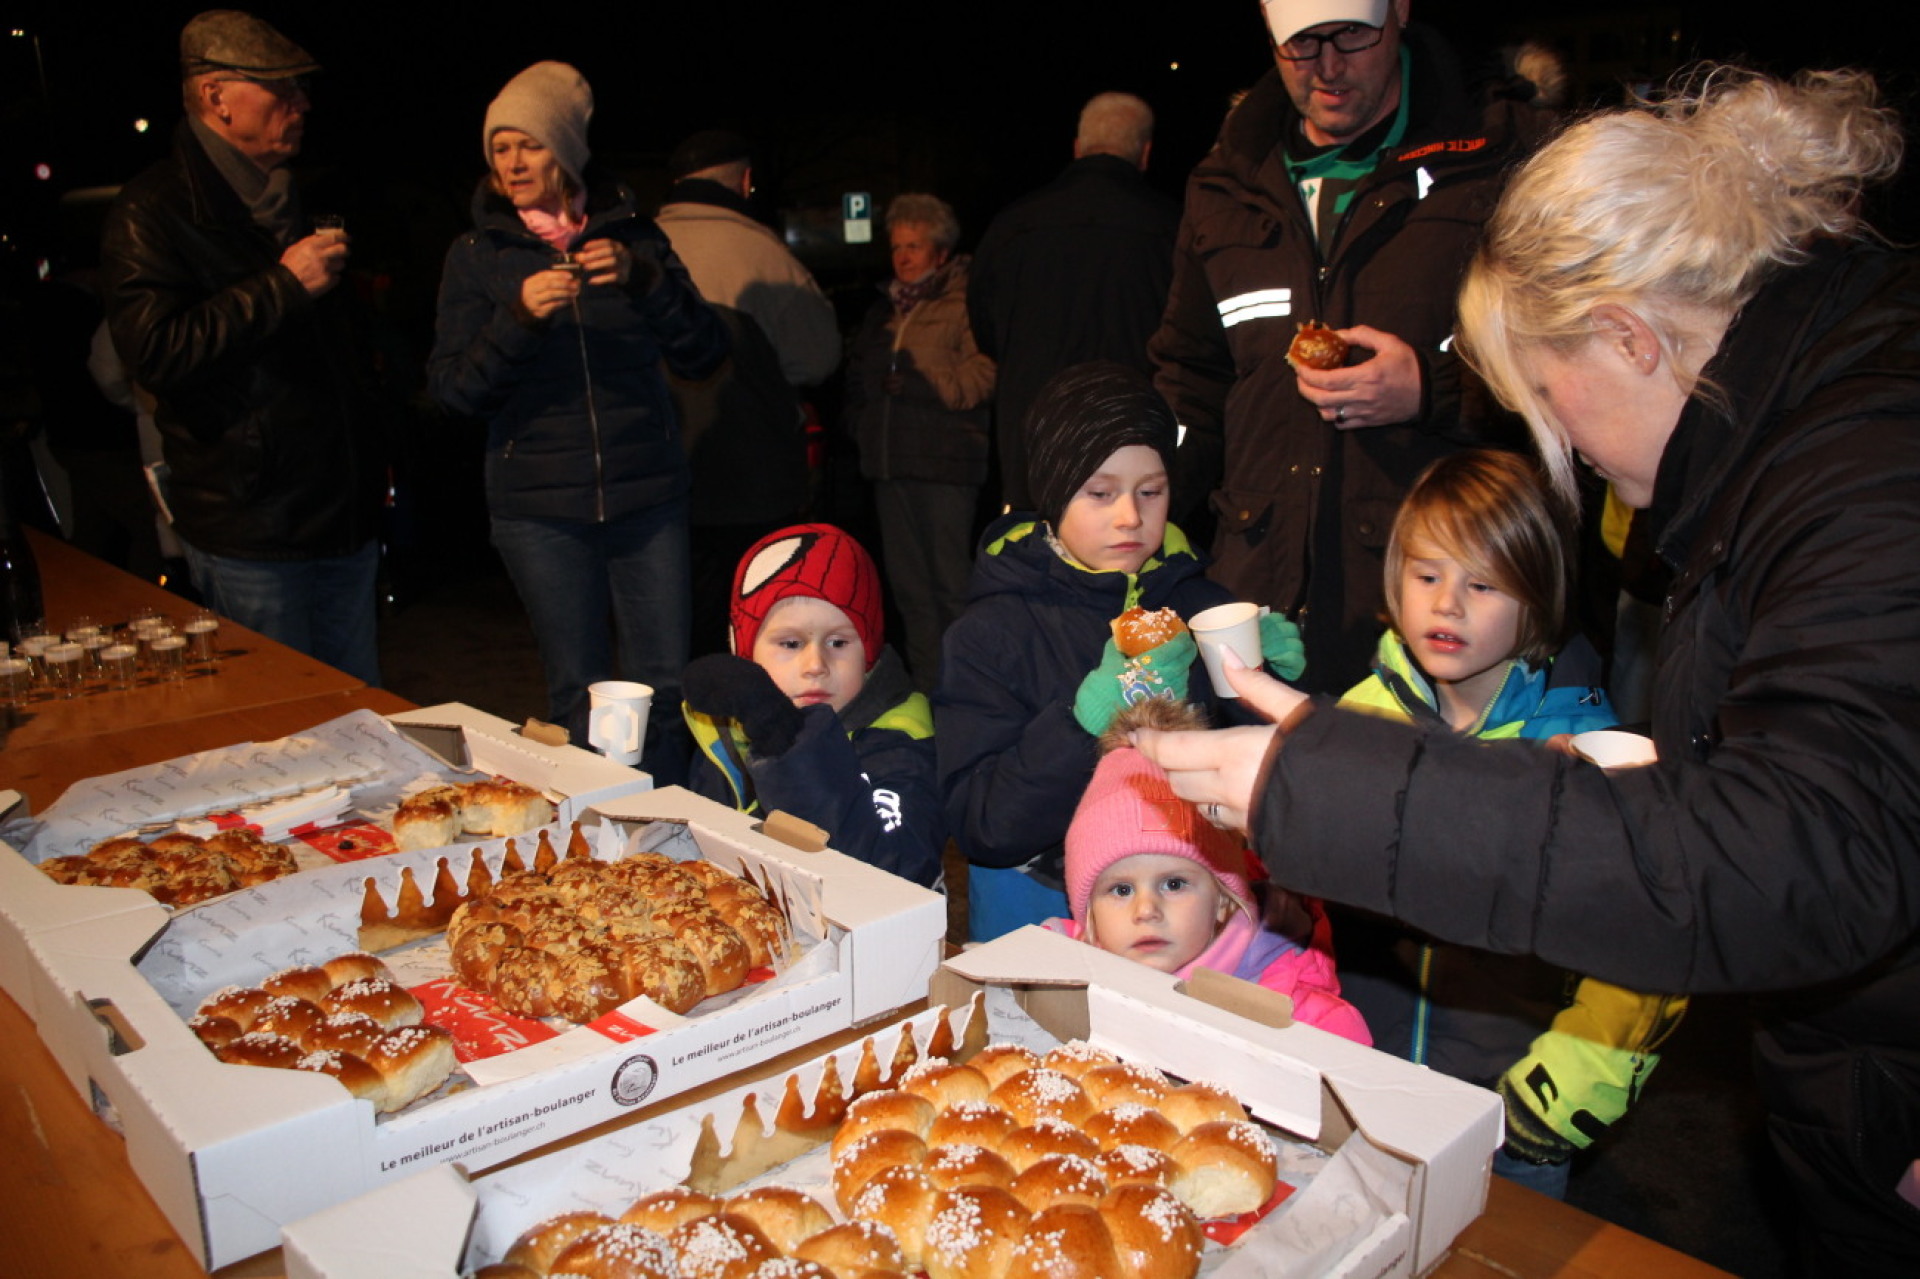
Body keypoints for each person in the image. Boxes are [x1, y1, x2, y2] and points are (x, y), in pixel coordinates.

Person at [1133, 67, 1919, 1272]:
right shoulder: (1816, 433)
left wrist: (1338, 790)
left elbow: (1808, 849)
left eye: (1553, 405)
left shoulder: (1865, 475)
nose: (1569, 455)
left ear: (1631, 339)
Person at [1150, 0, 1542, 696]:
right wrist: (1140, 500)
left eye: (1351, 36)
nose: (1327, 68)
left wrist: (1434, 387)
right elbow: (1190, 376)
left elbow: (1570, 365)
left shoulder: (1495, 158)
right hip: (1256, 598)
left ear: (1398, 11)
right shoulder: (1225, 182)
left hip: (1433, 605)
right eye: (1301, 44)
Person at [1337, 448, 1684, 1197]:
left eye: (1483, 583)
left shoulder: (1581, 754)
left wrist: (1565, 1086)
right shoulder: (1359, 719)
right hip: (1362, 1083)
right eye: (1427, 574)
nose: (1447, 604)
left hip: (1506, 1112)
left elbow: (1647, 942)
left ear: (1537, 599)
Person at [428, 62, 727, 777]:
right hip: (539, 510)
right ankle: (590, 830)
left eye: (527, 144)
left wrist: (645, 281)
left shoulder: (636, 238)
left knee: (664, 684)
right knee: (575, 687)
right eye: (499, 148)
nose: (512, 162)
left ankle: (661, 823)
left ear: (564, 149)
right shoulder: (477, 257)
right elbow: (453, 393)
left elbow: (704, 352)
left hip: (647, 495)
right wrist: (520, 319)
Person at [936, 362, 1303, 941]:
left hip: (1187, 916)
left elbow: (1262, 776)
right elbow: (984, 827)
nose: (1130, 516)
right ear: (1055, 494)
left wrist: (1269, 690)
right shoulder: (992, 633)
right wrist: (1083, 724)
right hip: (1040, 917)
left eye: (1150, 491)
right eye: (1100, 493)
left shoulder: (1198, 601)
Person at [99, 10, 387, 682]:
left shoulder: (300, 202)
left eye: (301, 91)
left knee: (362, 720)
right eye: (280, 91)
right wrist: (283, 285)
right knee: (282, 731)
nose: (301, 105)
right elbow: (155, 352)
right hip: (253, 526)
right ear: (216, 97)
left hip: (341, 515)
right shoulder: (153, 209)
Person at [1048, 699, 1370, 1043]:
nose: (1146, 911)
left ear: (1222, 899)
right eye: (1121, 890)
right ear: (1088, 912)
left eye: (1174, 884)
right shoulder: (1047, 979)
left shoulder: (1307, 1024)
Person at [656, 130, 841, 656]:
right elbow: (818, 357)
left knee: (666, 638)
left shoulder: (637, 248)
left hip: (655, 485)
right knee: (746, 630)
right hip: (750, 484)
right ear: (744, 181)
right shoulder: (766, 255)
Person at [680, 523, 941, 887]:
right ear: (745, 653)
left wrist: (783, 737)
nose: (815, 665)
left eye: (837, 643)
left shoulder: (897, 743)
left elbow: (896, 872)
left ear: (869, 654)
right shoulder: (723, 729)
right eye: (790, 644)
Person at [968, 92, 1180, 511]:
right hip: (1134, 451)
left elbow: (985, 329)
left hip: (1035, 447)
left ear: (1078, 148)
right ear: (1145, 153)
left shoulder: (1014, 226)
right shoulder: (1173, 226)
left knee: (1037, 564)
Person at [846, 193, 996, 693]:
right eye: (897, 247)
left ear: (941, 253)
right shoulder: (883, 311)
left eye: (915, 246)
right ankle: (929, 695)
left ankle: (969, 691)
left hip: (946, 466)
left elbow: (982, 377)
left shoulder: (966, 304)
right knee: (910, 593)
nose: (903, 257)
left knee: (951, 589)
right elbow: (857, 381)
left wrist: (918, 381)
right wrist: (862, 419)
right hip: (890, 467)